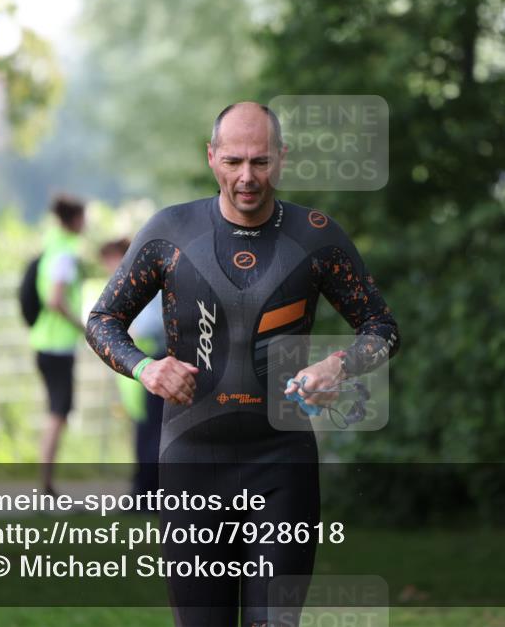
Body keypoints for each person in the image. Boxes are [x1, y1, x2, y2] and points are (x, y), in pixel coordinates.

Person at [86, 102, 400, 627]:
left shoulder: (317, 236)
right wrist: (146, 369)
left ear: (281, 158)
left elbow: (383, 328)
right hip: (191, 467)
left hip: (282, 468)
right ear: (211, 158)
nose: (247, 177)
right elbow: (103, 320)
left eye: (260, 161)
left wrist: (338, 366)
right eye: (234, 162)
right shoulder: (170, 231)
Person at [99, 237, 163, 500]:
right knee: (145, 433)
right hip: (139, 372)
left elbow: (150, 323)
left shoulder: (146, 283)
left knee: (152, 434)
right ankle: (142, 491)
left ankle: (146, 493)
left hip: (155, 367)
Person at [31, 194, 86, 496]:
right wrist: (82, 325)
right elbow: (55, 299)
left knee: (57, 411)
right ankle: (45, 483)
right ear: (75, 219)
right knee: (57, 412)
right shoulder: (64, 251)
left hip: (46, 342)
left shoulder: (51, 244)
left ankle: (46, 481)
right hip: (56, 345)